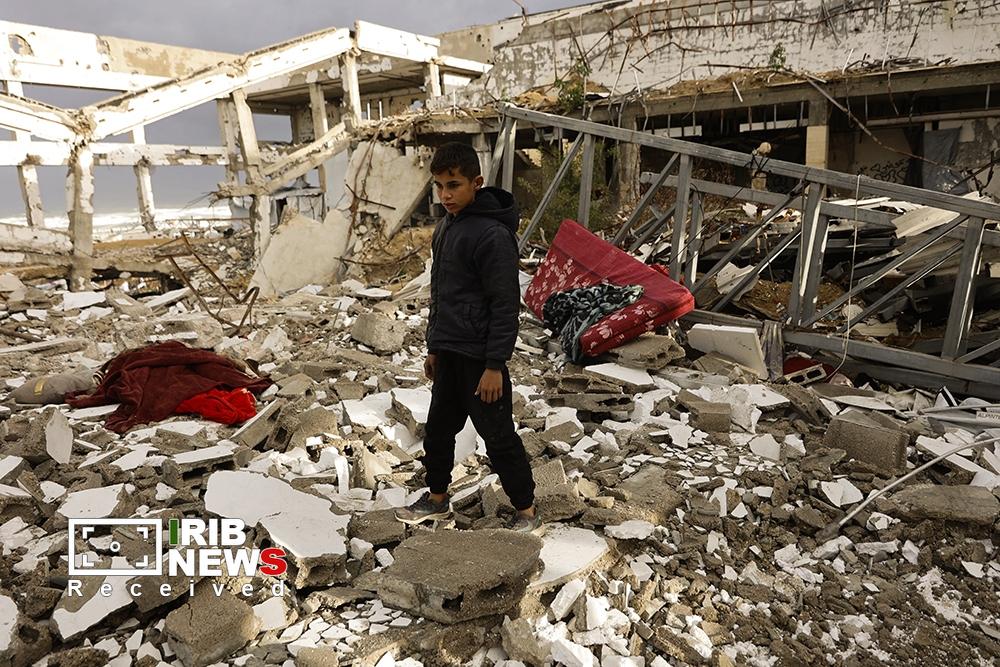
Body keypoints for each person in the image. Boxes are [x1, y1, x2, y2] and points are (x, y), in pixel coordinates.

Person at [394, 141, 540, 533]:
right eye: (439, 186)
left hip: (480, 359)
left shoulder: (493, 235)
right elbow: (441, 294)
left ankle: (526, 511)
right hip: (450, 353)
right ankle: (437, 500)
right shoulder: (446, 227)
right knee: (438, 432)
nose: (445, 195)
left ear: (476, 183)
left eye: (454, 185)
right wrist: (434, 347)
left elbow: (504, 304)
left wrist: (495, 365)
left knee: (498, 436)